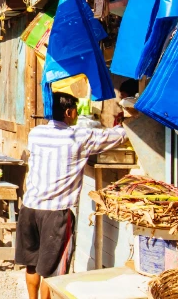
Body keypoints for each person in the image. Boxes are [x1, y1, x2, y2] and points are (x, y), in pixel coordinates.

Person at [17, 93, 127, 299]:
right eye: (75, 111)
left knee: (31, 264)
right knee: (52, 272)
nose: (76, 115)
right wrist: (126, 122)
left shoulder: (36, 133)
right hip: (55, 214)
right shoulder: (79, 137)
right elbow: (117, 137)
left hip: (29, 209)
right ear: (68, 112)